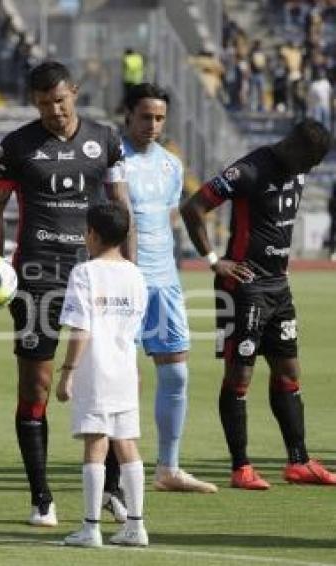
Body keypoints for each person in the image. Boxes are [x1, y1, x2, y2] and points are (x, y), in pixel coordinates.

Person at [0, 60, 133, 527]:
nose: (54, 110)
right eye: (45, 103)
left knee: (107, 380)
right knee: (36, 386)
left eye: (60, 100)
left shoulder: (106, 139)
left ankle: (111, 491)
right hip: (37, 274)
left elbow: (121, 206)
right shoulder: (16, 145)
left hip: (97, 275)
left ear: (74, 91)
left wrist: (129, 268)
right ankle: (41, 497)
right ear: (34, 102)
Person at [180, 119, 336, 490]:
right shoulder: (248, 170)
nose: (311, 170)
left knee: (289, 370)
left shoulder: (296, 169)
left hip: (278, 287)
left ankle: (298, 461)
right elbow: (194, 206)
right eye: (310, 161)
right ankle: (241, 467)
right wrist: (215, 260)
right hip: (243, 286)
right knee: (240, 374)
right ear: (296, 147)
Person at [115, 83, 218, 494]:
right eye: (145, 117)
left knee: (176, 374)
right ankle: (122, 469)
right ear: (128, 115)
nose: (153, 125)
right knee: (123, 378)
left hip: (166, 282)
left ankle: (168, 468)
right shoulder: (114, 158)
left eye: (159, 118)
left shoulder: (172, 165)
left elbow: (167, 219)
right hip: (124, 281)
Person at [56, 202, 149, 548]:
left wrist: (67, 372)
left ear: (91, 234)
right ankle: (136, 525)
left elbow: (81, 328)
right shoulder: (136, 274)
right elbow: (134, 329)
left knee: (96, 441)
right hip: (125, 367)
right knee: (127, 442)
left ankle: (90, 526)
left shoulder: (85, 273)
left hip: (96, 369)